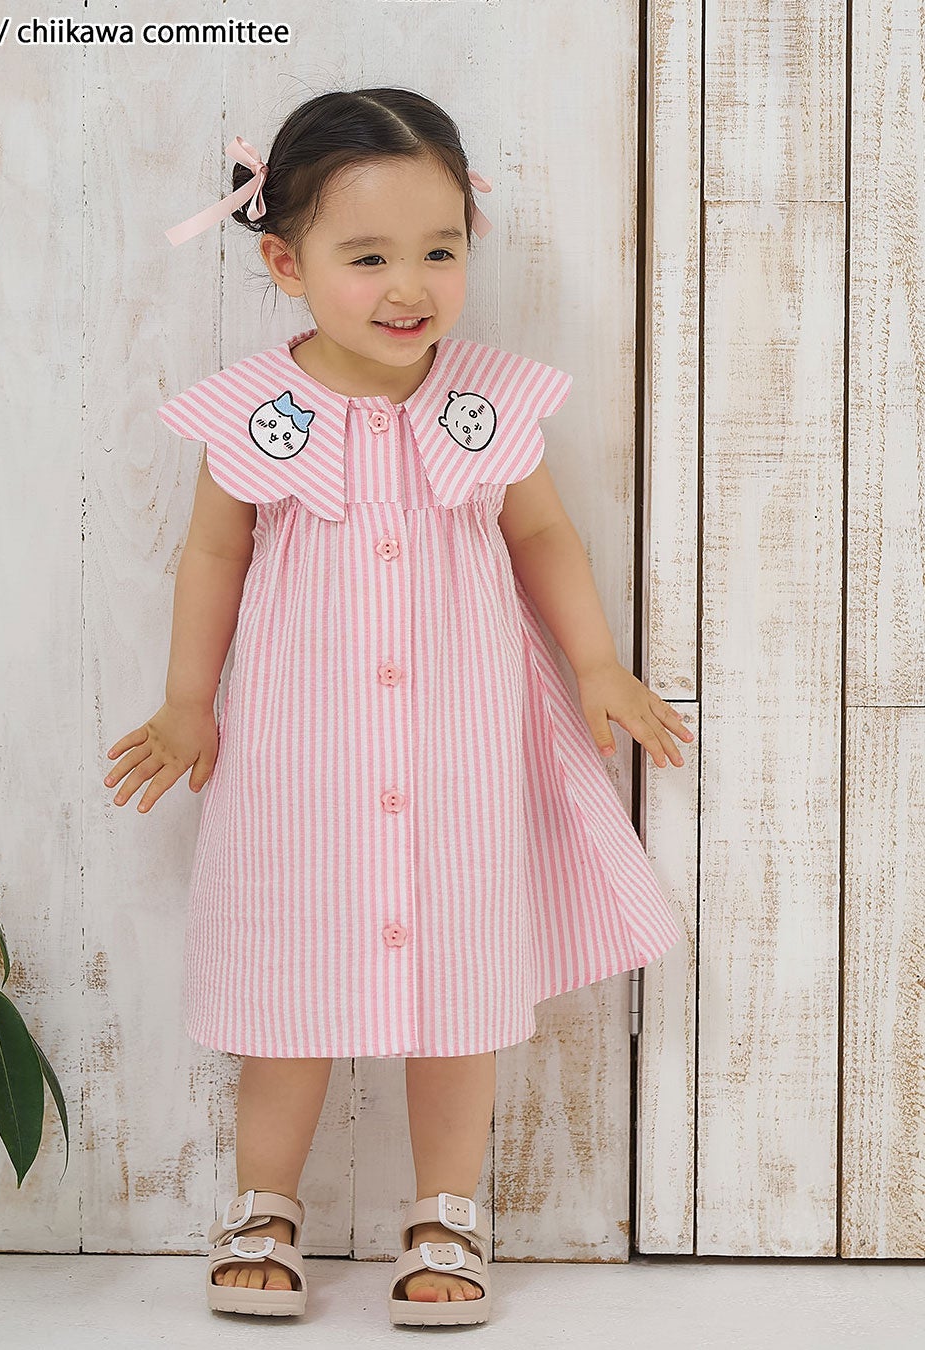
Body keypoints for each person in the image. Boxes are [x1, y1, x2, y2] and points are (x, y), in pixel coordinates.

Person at [103, 87, 692, 1326]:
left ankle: (448, 1211)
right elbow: (212, 555)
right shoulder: (254, 415)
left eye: (439, 250)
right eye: (366, 257)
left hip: (462, 743)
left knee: (458, 983)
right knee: (289, 979)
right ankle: (265, 1202)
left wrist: (596, 664)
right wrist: (186, 703)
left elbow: (542, 535)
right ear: (287, 263)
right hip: (297, 750)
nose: (408, 286)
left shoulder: (485, 402)